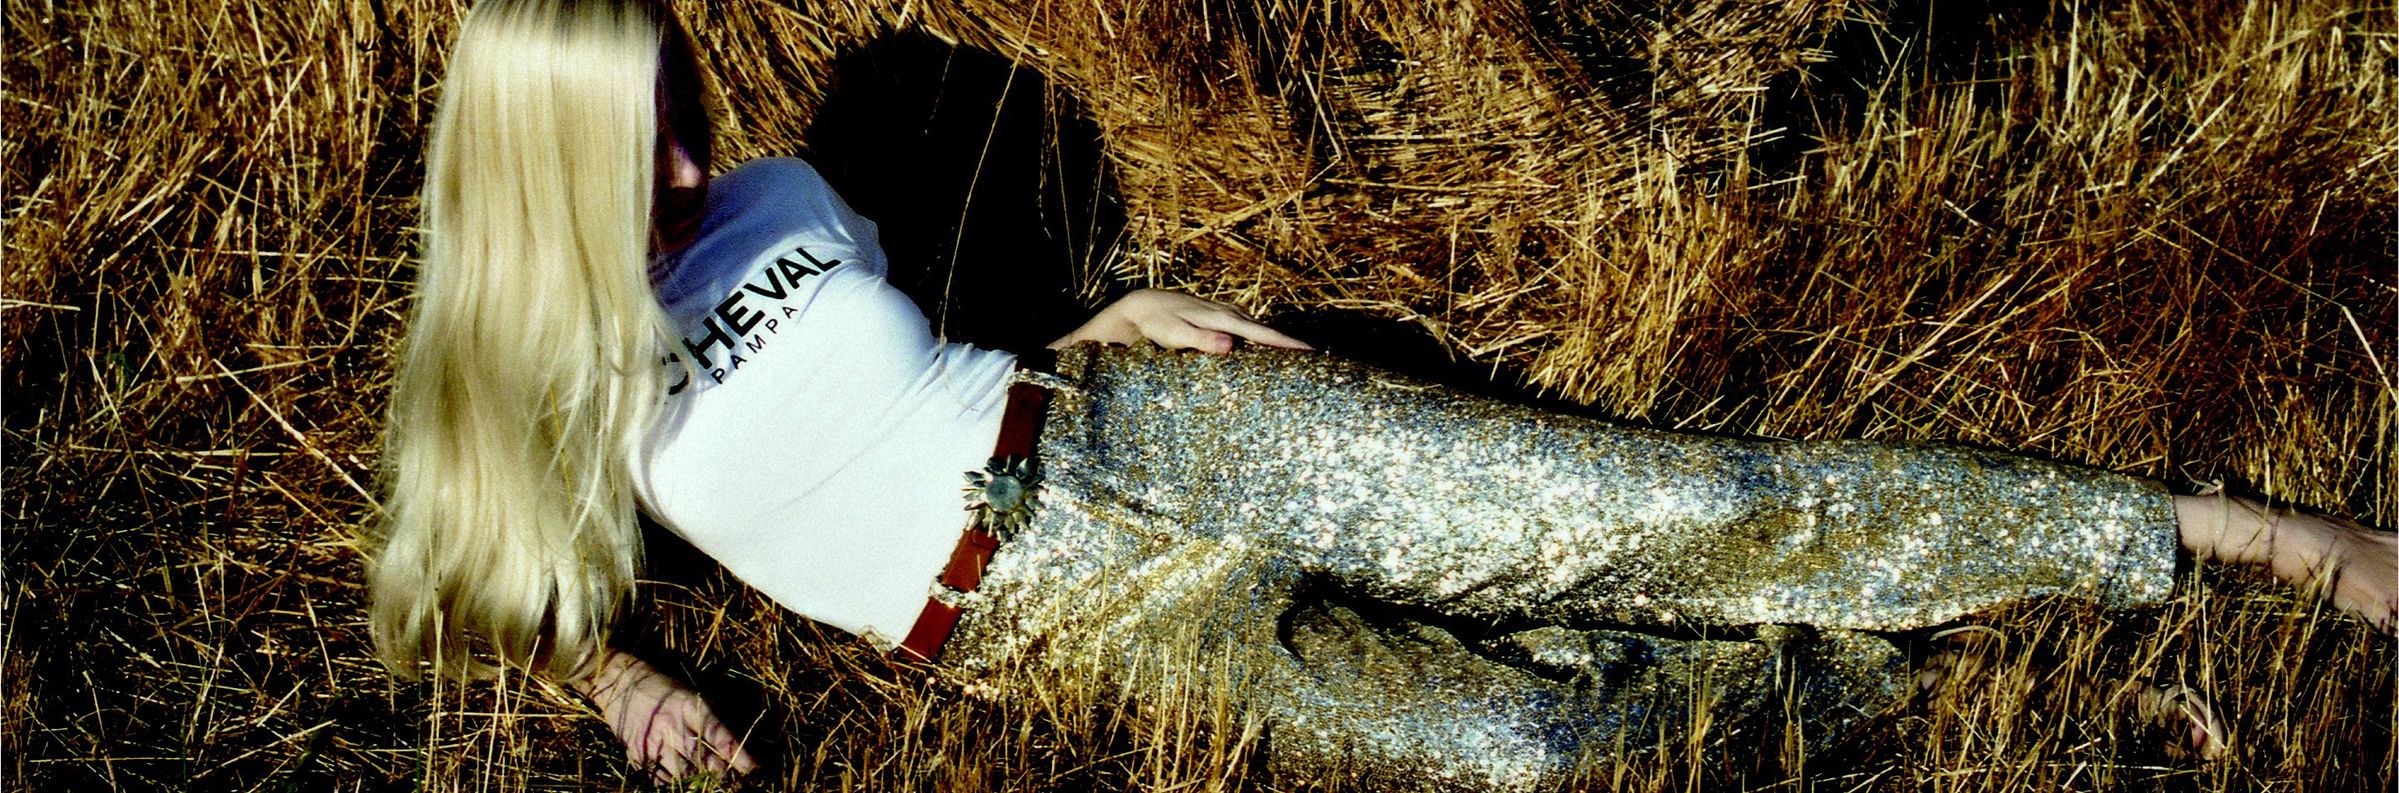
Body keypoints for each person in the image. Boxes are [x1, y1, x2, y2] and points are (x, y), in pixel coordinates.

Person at [364, 0, 2399, 787]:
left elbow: (925, 347)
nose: (694, 162)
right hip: (1060, 621)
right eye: (640, 143)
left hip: (1138, 434)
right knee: (1530, 743)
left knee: (1660, 508)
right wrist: (629, 689)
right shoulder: (529, 380)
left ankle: (2241, 535)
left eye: (685, 108)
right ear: (536, 163)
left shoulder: (780, 197)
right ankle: (1976, 680)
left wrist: (1107, 311)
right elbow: (485, 583)